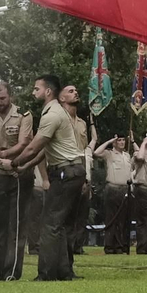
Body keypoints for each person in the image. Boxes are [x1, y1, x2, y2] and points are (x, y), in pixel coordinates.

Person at [13, 74, 84, 281]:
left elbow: (35, 146)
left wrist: (15, 162)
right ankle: (64, 272)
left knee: (50, 225)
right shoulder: (58, 113)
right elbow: (46, 151)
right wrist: (26, 165)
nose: (33, 92)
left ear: (48, 91)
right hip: (73, 171)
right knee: (60, 225)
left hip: (65, 173)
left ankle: (46, 274)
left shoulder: (51, 114)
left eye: (37, 89)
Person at [0, 84, 35, 279]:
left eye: (2, 99)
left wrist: (4, 153)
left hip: (18, 173)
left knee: (16, 225)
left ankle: (12, 271)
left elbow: (24, 143)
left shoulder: (24, 115)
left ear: (10, 97)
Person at [61, 86, 94, 254]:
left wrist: (85, 177)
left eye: (76, 90)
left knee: (79, 214)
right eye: (71, 91)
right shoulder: (58, 119)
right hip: (63, 170)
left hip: (79, 171)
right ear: (61, 98)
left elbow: (83, 152)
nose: (76, 92)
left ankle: (75, 248)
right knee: (64, 215)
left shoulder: (81, 123)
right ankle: (62, 250)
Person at [95, 133, 134, 254]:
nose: (122, 142)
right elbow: (96, 153)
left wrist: (133, 142)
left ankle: (119, 246)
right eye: (119, 140)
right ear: (115, 143)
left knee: (122, 220)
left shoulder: (127, 155)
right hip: (112, 188)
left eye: (123, 140)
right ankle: (109, 246)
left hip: (124, 189)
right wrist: (110, 140)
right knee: (111, 219)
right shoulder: (109, 154)